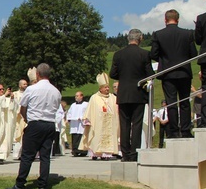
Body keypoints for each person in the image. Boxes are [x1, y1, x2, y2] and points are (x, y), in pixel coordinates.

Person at [6, 63, 61, 189]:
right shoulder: (56, 91)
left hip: (35, 123)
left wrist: (27, 119)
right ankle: (43, 185)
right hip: (49, 124)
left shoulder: (31, 89)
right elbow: (56, 107)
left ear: (37, 74)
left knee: (27, 155)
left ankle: (20, 184)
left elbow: (23, 107)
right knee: (45, 156)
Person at [150, 9, 197, 138]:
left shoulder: (158, 34)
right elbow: (194, 54)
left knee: (171, 103)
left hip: (167, 73)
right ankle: (186, 130)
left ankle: (173, 131)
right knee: (185, 102)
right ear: (178, 19)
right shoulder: (187, 34)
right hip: (184, 72)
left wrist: (165, 59)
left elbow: (153, 54)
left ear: (165, 20)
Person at [110, 29, 154, 162]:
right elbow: (150, 73)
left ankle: (125, 153)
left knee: (124, 125)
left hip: (123, 93)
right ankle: (134, 153)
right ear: (140, 38)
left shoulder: (118, 54)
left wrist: (123, 76)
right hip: (138, 93)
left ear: (128, 38)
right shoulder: (144, 54)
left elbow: (113, 74)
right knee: (137, 124)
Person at [80, 73, 120, 160]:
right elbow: (90, 109)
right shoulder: (94, 98)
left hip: (109, 122)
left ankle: (106, 154)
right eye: (105, 87)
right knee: (97, 136)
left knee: (109, 137)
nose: (107, 89)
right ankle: (96, 153)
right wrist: (87, 119)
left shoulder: (113, 97)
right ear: (100, 88)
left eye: (108, 87)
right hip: (98, 122)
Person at [66, 91, 88, 156]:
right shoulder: (73, 105)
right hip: (74, 123)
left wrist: (81, 118)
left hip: (81, 123)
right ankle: (75, 150)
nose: (76, 97)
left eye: (77, 96)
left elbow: (87, 113)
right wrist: (69, 119)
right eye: (75, 96)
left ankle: (83, 151)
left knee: (81, 136)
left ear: (81, 96)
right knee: (75, 136)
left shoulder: (86, 104)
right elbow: (69, 113)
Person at [12, 79, 28, 158]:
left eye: (26, 84)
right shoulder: (15, 94)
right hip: (18, 118)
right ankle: (17, 154)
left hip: (26, 117)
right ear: (20, 85)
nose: (26, 85)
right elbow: (14, 104)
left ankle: (24, 153)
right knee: (18, 135)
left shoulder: (29, 93)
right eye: (24, 84)